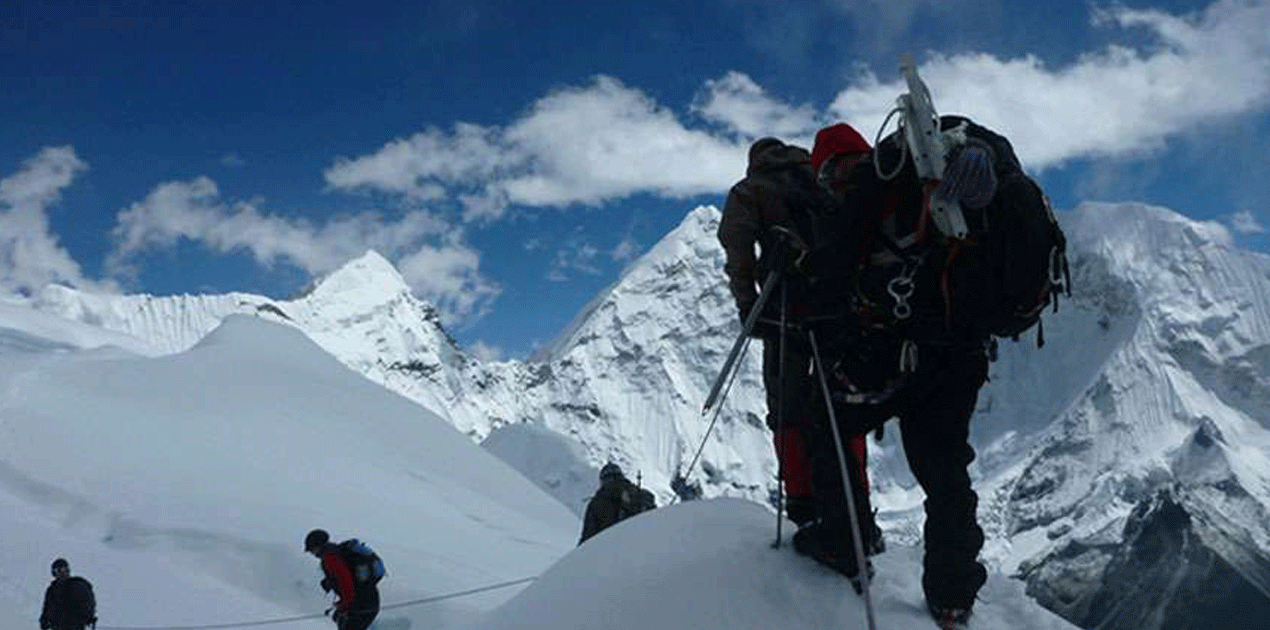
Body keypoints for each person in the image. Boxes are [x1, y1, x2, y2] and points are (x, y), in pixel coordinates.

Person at [809, 120, 1001, 626]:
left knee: (828, 424)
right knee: (945, 470)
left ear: (828, 170)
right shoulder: (919, 180)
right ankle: (953, 594)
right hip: (961, 354)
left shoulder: (858, 199)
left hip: (892, 357)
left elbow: (827, 285)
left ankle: (844, 544)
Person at [717, 136, 879, 555]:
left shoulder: (751, 190)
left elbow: (737, 245)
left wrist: (747, 304)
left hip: (783, 312)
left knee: (786, 409)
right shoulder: (821, 181)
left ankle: (803, 505)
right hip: (835, 311)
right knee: (838, 410)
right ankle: (859, 510)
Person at [305, 529, 379, 630]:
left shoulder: (330, 557)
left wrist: (346, 604)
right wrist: (330, 583)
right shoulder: (335, 552)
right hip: (368, 599)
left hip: (362, 603)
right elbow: (345, 576)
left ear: (317, 545)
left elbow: (345, 580)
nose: (312, 553)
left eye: (311, 549)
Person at [578, 463, 656, 544]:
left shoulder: (597, 503)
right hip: (645, 544)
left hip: (612, 547)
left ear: (603, 480)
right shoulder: (642, 495)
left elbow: (587, 538)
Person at [40, 558, 96, 630]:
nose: (62, 573)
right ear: (54, 573)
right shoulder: (51, 590)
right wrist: (44, 620)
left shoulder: (77, 586)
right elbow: (47, 607)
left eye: (64, 570)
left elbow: (87, 605)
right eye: (59, 571)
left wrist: (85, 618)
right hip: (57, 627)